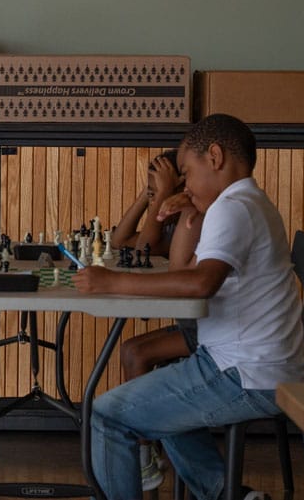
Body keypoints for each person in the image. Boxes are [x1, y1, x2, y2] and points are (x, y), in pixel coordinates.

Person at [73, 114, 304, 500]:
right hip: (254, 364)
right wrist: (188, 211)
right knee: (161, 409)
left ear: (214, 156)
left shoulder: (234, 209)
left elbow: (199, 284)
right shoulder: (242, 202)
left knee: (107, 415)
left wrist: (112, 281)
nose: (186, 182)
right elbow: (183, 270)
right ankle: (228, 494)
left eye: (188, 172)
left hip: (245, 372)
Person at [110, 150, 195, 490]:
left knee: (136, 353)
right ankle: (150, 449)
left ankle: (145, 457)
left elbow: (142, 247)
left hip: (209, 329)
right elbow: (120, 242)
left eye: (157, 184)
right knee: (133, 350)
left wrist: (160, 199)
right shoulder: (171, 214)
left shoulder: (189, 213)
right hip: (199, 325)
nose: (152, 191)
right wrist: (145, 197)